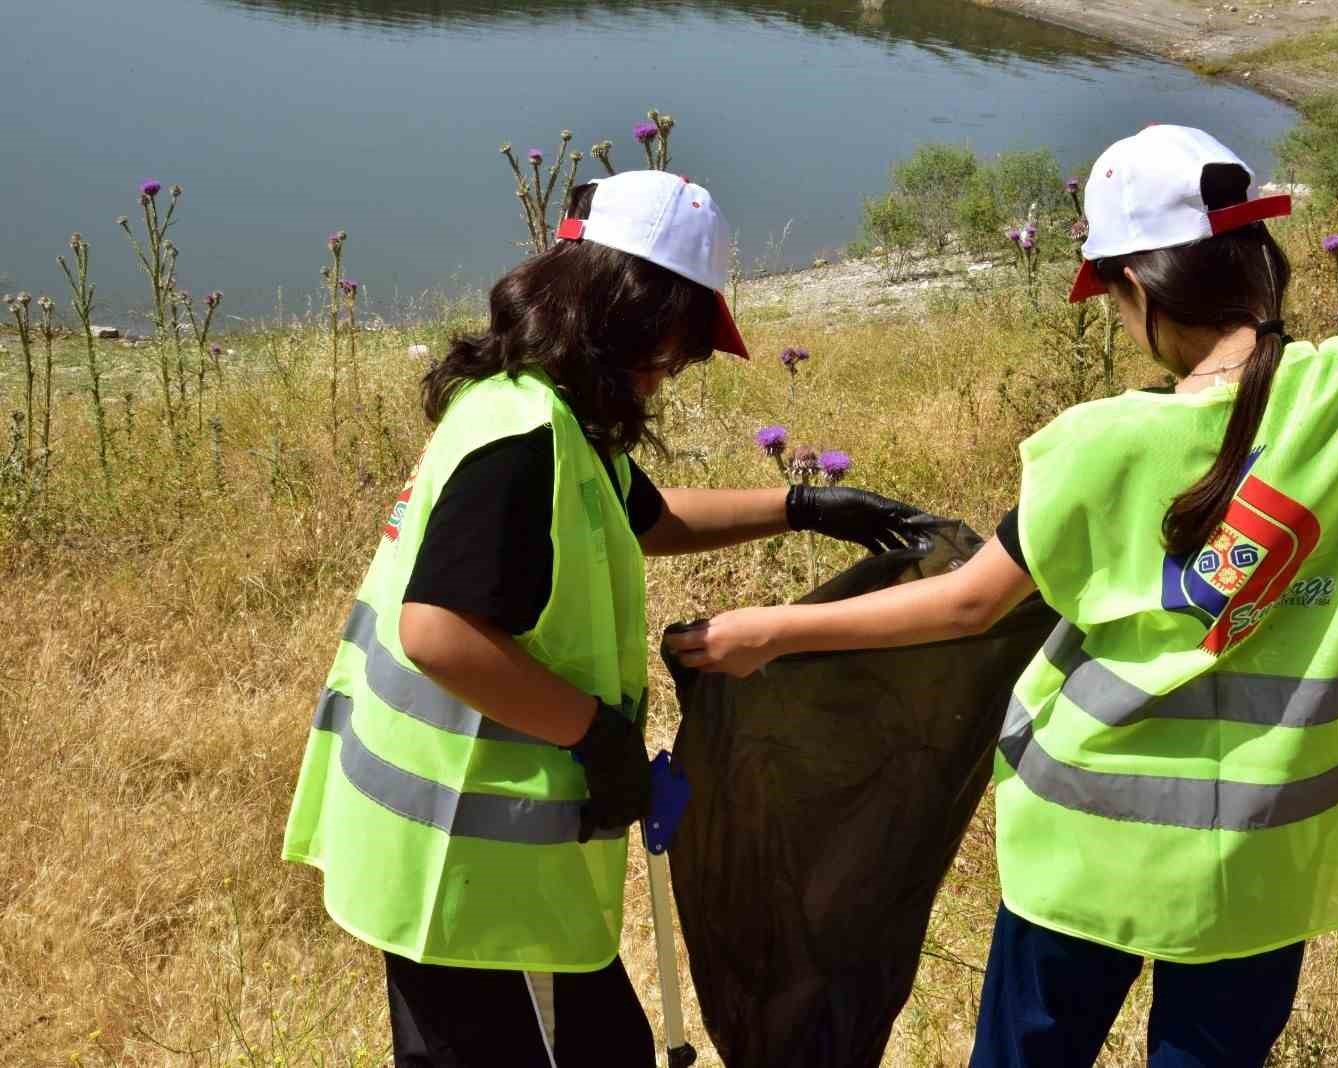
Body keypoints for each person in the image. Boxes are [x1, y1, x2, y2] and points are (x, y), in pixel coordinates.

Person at [665, 126, 1338, 1066]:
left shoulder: (1094, 442)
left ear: (1139, 289)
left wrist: (774, 630)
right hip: (1260, 857)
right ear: (1259, 259)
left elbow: (965, 605)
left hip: (1085, 848)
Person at [281, 169, 927, 1067]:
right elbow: (438, 630)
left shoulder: (546, 410)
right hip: (467, 857)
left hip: (461, 852)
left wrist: (805, 508)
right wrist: (594, 737)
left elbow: (646, 517)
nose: (675, 372)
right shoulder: (523, 439)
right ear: (631, 311)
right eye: (679, 348)